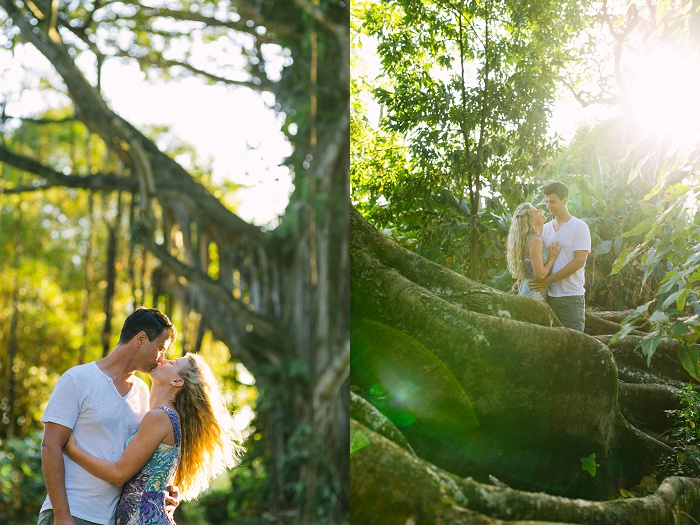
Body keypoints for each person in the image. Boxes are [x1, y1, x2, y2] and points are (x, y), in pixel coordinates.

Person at [63, 352, 244, 525]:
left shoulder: (159, 417)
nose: (163, 360)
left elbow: (119, 474)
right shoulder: (165, 417)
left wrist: (71, 449)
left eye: (172, 363)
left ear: (177, 381)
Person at [38, 307, 176, 525]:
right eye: (160, 348)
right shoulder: (77, 379)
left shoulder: (142, 391)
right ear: (141, 339)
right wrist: (62, 515)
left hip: (113, 519)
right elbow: (50, 446)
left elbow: (136, 455)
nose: (161, 359)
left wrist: (158, 491)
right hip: (74, 513)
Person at [529, 181, 591, 331]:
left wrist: (548, 280)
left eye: (553, 201)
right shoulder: (545, 229)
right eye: (547, 202)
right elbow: (537, 259)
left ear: (565, 201)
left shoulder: (580, 227)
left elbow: (579, 262)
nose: (548, 205)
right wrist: (522, 279)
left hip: (571, 297)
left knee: (575, 344)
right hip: (548, 297)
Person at [506, 202, 560, 300]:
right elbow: (539, 275)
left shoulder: (529, 238)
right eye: (536, 211)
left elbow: (528, 266)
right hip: (533, 295)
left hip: (527, 291)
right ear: (531, 220)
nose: (541, 210)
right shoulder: (535, 240)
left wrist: (520, 280)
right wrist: (552, 259)